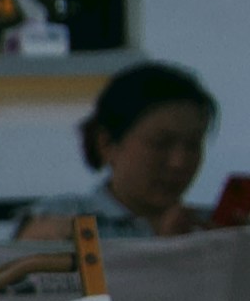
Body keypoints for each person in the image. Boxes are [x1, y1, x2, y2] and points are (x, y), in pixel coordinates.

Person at [71, 61, 219, 235]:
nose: (179, 162)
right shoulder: (62, 223)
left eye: (193, 145)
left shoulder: (210, 230)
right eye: (161, 144)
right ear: (107, 144)